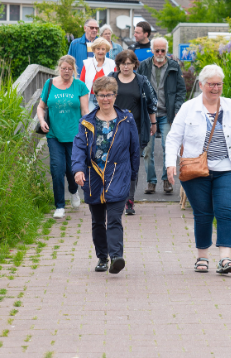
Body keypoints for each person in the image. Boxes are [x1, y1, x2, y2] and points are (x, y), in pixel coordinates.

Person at [165, 64, 231, 274]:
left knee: (226, 209)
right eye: (211, 84)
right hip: (195, 170)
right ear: (202, 85)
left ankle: (225, 259)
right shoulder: (189, 108)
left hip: (228, 168)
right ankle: (202, 257)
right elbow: (174, 137)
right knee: (203, 213)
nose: (215, 88)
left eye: (219, 84)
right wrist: (170, 163)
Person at [72, 76, 140, 274]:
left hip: (118, 174)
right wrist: (78, 169)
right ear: (96, 96)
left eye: (109, 95)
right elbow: (78, 147)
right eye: (101, 95)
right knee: (97, 221)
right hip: (94, 176)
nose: (105, 99)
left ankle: (116, 256)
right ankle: (102, 257)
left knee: (114, 219)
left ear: (115, 96)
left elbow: (134, 149)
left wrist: (132, 175)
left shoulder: (126, 120)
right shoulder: (86, 122)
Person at [37, 55, 89, 219]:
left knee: (72, 170)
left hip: (75, 135)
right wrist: (41, 120)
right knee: (57, 169)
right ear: (59, 68)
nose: (66, 71)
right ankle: (59, 205)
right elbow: (41, 106)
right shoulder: (50, 84)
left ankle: (74, 191)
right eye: (63, 68)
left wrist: (87, 130)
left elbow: (85, 111)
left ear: (74, 69)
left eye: (69, 69)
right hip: (54, 135)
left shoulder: (80, 86)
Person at [109, 50, 158, 215]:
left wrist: (153, 123)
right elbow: (101, 99)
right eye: (123, 63)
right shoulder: (111, 79)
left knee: (132, 165)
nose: (125, 66)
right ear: (118, 65)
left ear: (135, 65)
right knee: (114, 162)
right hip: (113, 128)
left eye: (129, 63)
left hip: (135, 129)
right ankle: (116, 195)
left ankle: (129, 200)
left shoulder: (142, 81)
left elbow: (151, 103)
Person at [138, 37, 186, 195]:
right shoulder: (144, 65)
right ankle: (151, 181)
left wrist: (178, 109)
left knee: (168, 147)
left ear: (167, 51)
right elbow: (137, 87)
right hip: (148, 113)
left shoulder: (174, 66)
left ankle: (167, 180)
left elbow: (181, 91)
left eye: (162, 50)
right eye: (156, 50)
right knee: (147, 149)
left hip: (167, 113)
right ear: (152, 50)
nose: (159, 53)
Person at [80, 37, 116, 111]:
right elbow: (82, 83)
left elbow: (116, 83)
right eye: (98, 49)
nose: (100, 51)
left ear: (106, 50)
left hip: (107, 98)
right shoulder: (87, 63)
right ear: (94, 50)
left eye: (103, 49)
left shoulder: (112, 64)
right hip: (90, 98)